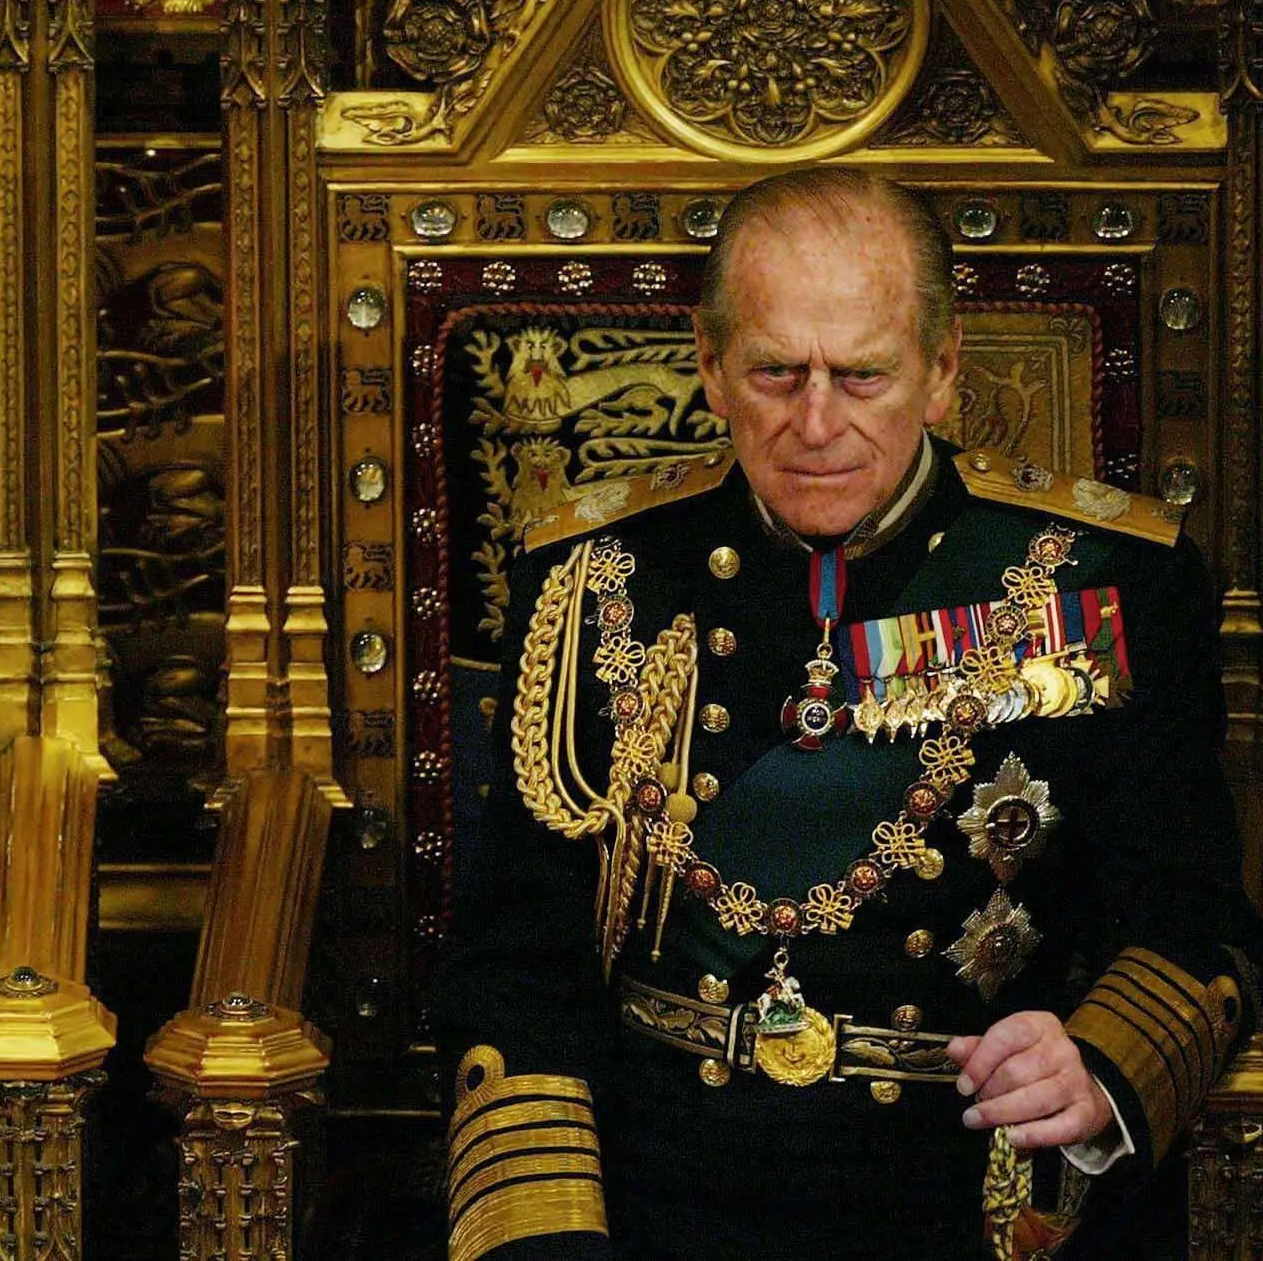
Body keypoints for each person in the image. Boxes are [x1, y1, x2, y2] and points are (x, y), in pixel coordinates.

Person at [436, 167, 1263, 1260]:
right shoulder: (595, 573)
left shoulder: (1099, 583)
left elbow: (1191, 921)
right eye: (774, 371)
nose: (813, 424)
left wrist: (1096, 1069)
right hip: (652, 1184)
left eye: (862, 376)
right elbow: (518, 960)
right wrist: (547, 1237)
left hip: (962, 1183)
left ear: (940, 371)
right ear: (709, 365)